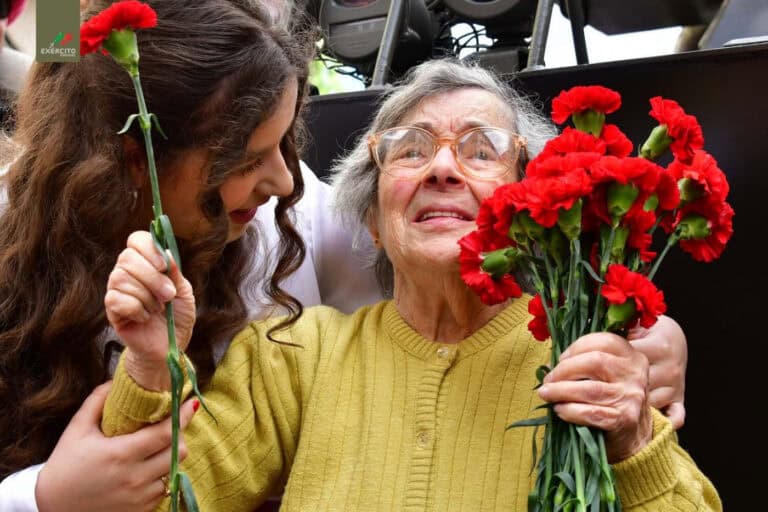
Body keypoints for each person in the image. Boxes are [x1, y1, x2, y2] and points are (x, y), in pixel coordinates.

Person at [101, 58, 718, 511]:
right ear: (372, 218)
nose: (442, 167)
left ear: (537, 207)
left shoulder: (582, 354)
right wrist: (152, 365)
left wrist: (634, 441)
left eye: (482, 150)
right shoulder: (294, 355)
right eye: (410, 150)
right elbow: (160, 502)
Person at [0, 1, 374, 511]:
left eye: (284, 142)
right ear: (136, 159)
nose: (285, 182)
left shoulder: (286, 216)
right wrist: (41, 497)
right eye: (247, 160)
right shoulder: (11, 240)